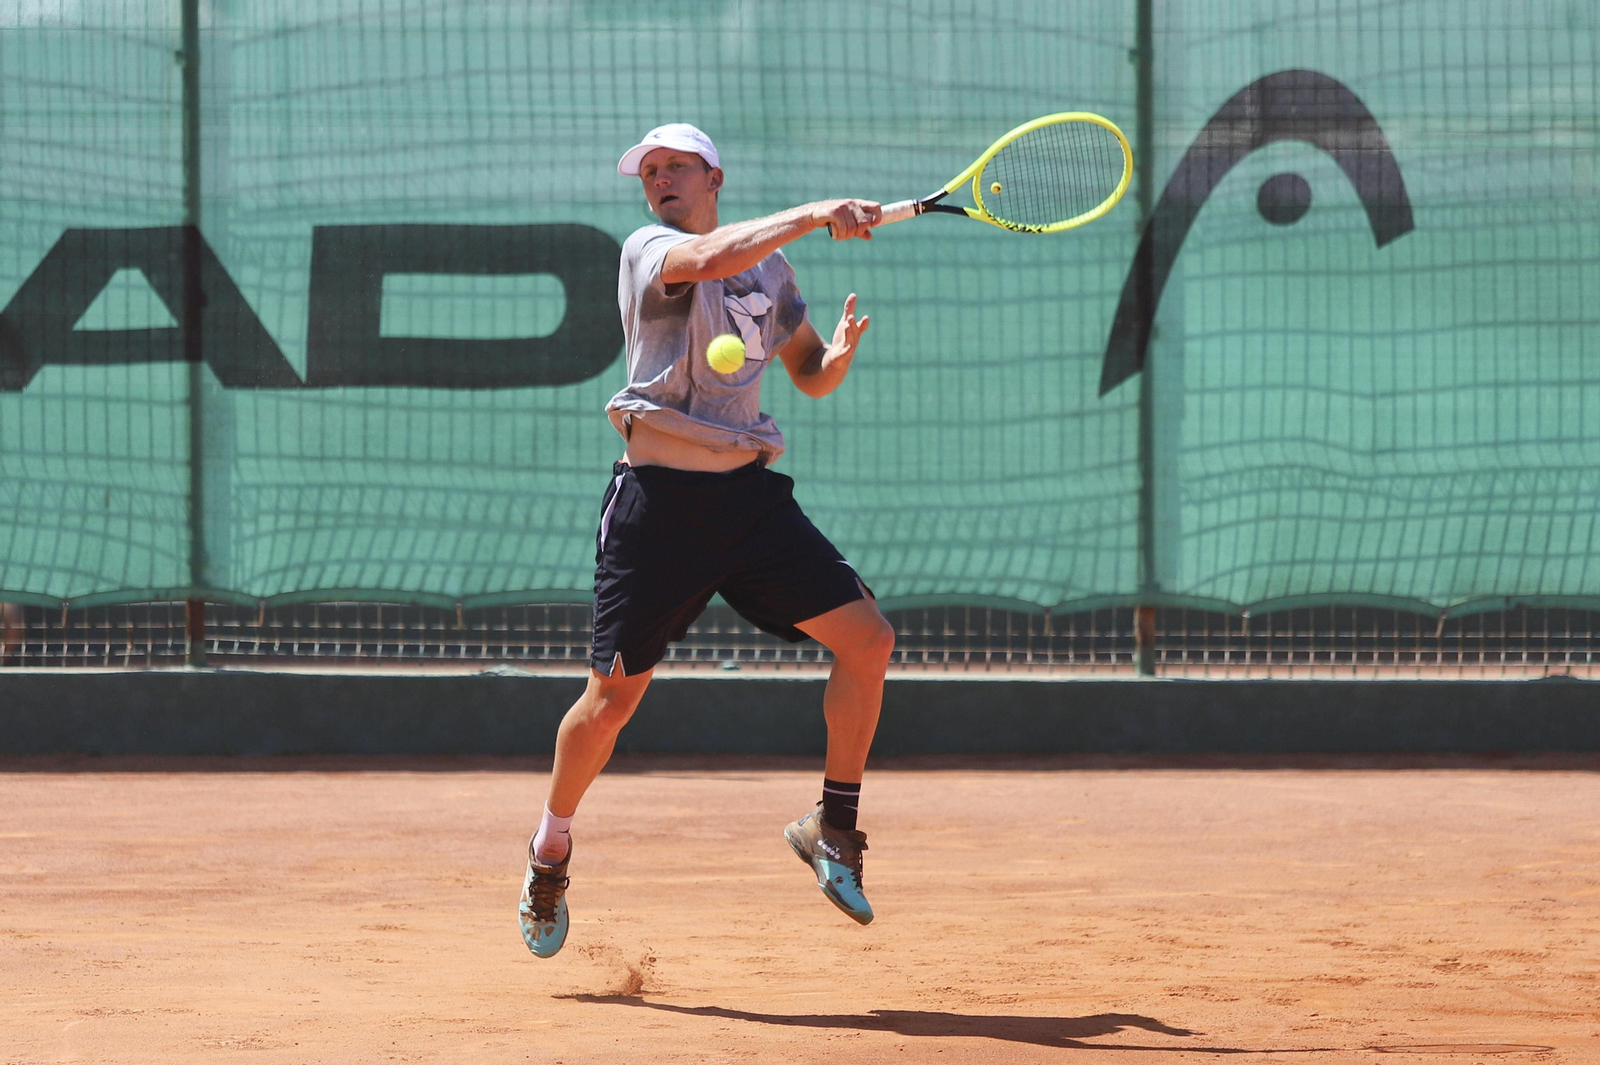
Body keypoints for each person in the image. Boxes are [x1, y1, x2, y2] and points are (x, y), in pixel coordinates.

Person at [519, 123, 895, 958]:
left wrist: (833, 356)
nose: (659, 179)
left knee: (869, 640)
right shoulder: (648, 248)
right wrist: (815, 210)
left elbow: (805, 373)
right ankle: (551, 848)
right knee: (612, 702)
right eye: (648, 171)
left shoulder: (772, 269)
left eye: (675, 166)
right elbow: (709, 261)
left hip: (749, 504)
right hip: (658, 505)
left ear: (713, 173)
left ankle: (833, 826)